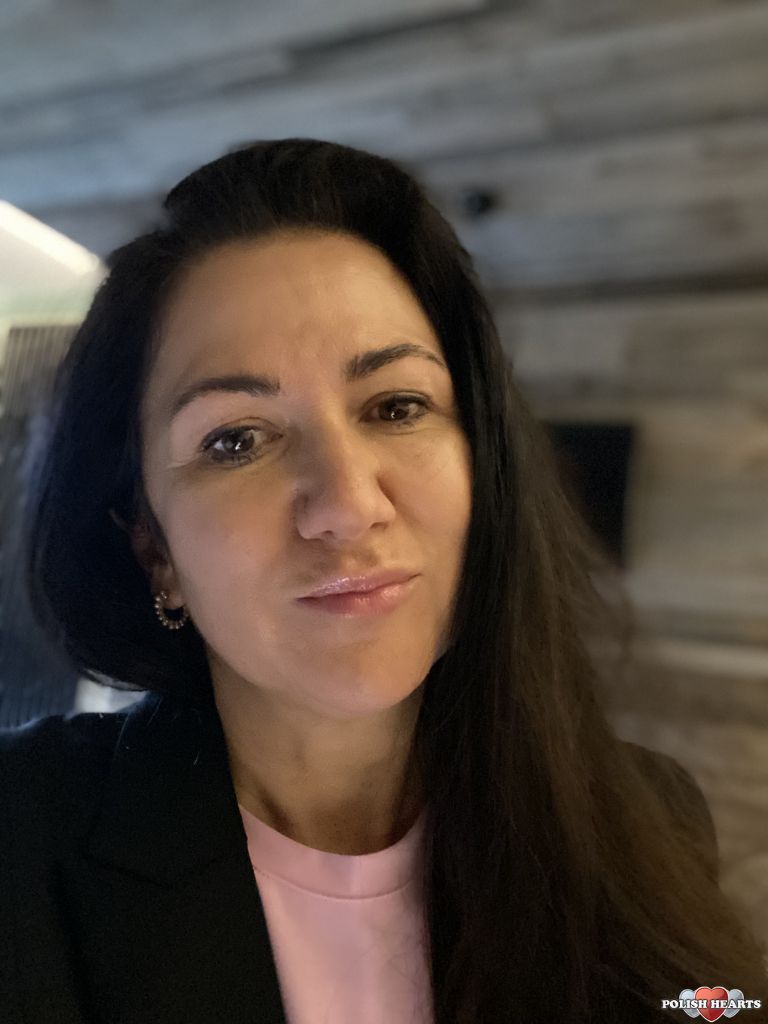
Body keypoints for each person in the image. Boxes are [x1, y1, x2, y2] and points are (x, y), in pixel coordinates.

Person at [0, 138, 765, 1024]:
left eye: (397, 406)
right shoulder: (22, 837)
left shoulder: (651, 817)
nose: (348, 504)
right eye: (236, 439)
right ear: (153, 550)